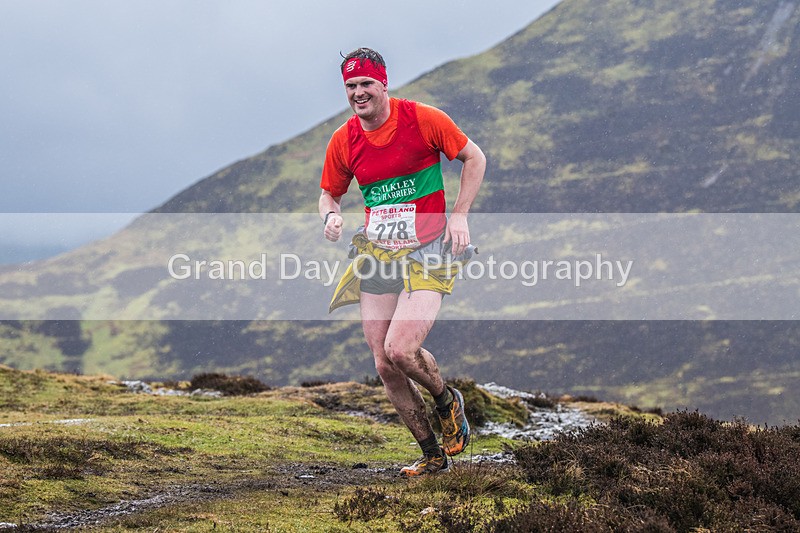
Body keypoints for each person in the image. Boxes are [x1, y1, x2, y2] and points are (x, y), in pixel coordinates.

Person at [319, 47, 486, 476]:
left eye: (366, 85)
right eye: (351, 86)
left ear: (383, 83)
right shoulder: (344, 140)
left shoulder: (422, 119)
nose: (358, 94)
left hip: (430, 250)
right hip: (377, 253)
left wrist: (460, 214)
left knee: (401, 349)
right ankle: (433, 455)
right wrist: (332, 216)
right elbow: (329, 193)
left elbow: (474, 157)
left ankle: (447, 399)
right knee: (382, 362)